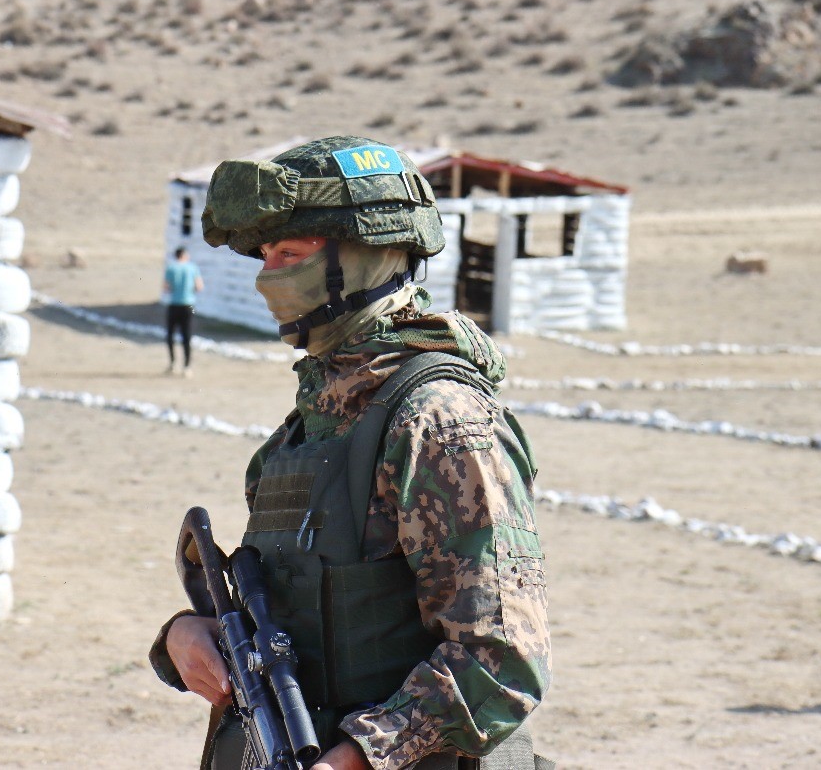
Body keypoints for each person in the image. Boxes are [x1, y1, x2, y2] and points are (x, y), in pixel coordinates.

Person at [149, 137, 550, 770]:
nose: (268, 277)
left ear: (368, 253)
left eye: (290, 253)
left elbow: (502, 659)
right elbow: (297, 619)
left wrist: (358, 756)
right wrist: (186, 636)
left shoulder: (438, 420)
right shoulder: (308, 427)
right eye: (264, 256)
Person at [164, 245, 204, 377]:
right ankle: (187, 366)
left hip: (174, 304)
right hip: (188, 305)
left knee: (170, 334)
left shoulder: (171, 268)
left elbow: (166, 287)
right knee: (186, 335)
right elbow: (199, 286)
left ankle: (172, 363)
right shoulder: (192, 268)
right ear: (184, 255)